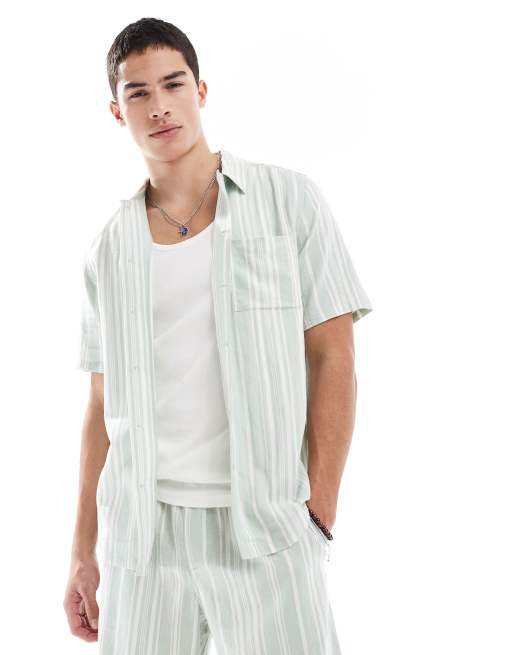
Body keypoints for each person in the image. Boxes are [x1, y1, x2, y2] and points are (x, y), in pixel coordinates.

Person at [62, 16, 373, 655]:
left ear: (200, 90)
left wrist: (319, 509)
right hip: (144, 541)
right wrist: (82, 552)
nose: (159, 105)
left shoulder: (288, 201)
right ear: (117, 112)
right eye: (138, 92)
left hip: (264, 528)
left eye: (173, 84)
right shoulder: (107, 250)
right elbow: (100, 405)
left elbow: (332, 354)